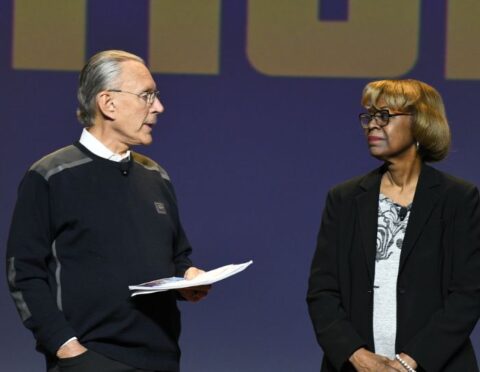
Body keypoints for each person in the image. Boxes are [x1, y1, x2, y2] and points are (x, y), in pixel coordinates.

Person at [6, 50, 210, 372]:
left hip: (163, 359)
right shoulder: (52, 175)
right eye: (147, 95)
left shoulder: (156, 176)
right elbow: (24, 272)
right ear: (108, 103)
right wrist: (65, 347)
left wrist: (189, 276)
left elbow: (177, 256)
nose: (158, 107)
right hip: (90, 359)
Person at [307, 79, 480, 371]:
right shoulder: (345, 199)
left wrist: (410, 361)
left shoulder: (458, 199)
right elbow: (322, 292)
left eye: (384, 116)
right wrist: (359, 357)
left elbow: (468, 293)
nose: (373, 125)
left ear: (421, 123)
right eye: (369, 116)